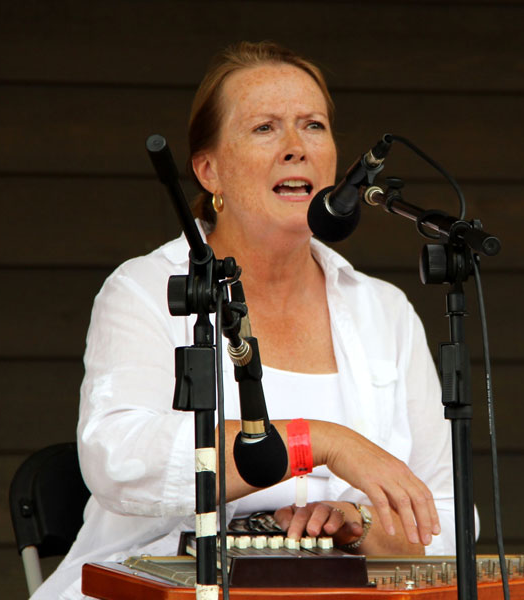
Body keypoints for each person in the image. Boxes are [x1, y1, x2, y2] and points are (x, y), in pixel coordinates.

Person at [32, 41, 463, 600]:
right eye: (265, 128)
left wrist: (361, 524)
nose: (296, 148)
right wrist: (316, 442)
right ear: (209, 170)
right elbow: (118, 460)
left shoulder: (385, 311)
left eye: (313, 125)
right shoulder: (144, 288)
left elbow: (447, 514)